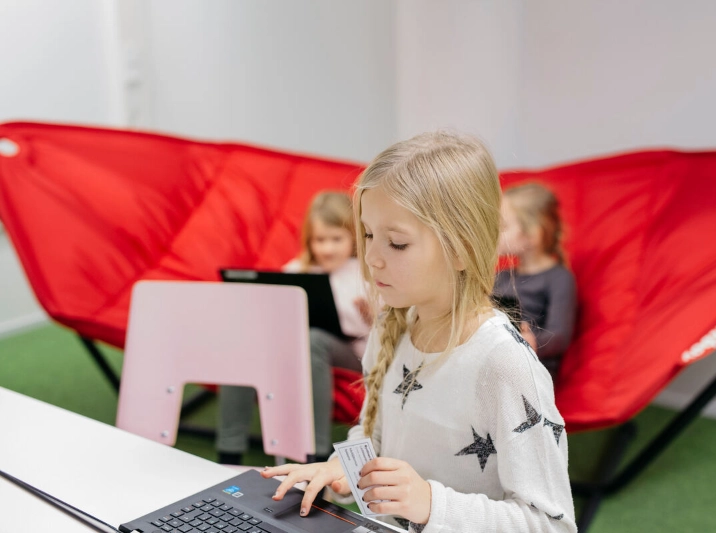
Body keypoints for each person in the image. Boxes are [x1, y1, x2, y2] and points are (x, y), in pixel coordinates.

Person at [262, 131, 576, 532]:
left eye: (396, 243)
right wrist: (343, 467)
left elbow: (551, 525)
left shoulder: (505, 365)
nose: (371, 258)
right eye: (369, 235)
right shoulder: (392, 324)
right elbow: (375, 436)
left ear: (461, 248)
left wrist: (430, 504)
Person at [217, 191, 371, 464]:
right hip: (293, 350)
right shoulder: (296, 271)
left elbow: (383, 333)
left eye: (336, 239)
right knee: (243, 346)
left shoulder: (364, 273)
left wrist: (370, 317)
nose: (327, 249)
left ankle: (315, 455)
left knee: (313, 341)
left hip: (352, 353)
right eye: (320, 240)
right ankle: (229, 453)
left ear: (353, 237)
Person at [493, 182, 577, 381]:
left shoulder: (558, 278)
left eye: (503, 227)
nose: (494, 233)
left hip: (531, 372)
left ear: (531, 235)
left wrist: (529, 341)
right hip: (496, 360)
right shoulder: (501, 276)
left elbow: (559, 336)